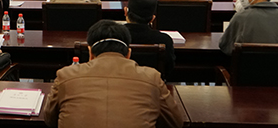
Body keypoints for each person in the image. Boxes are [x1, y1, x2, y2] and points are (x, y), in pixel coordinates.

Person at [43, 20, 183, 128]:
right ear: (128, 54)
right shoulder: (152, 78)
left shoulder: (65, 76)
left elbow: (49, 120)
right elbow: (175, 122)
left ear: (90, 53)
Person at [124, 0, 175, 75]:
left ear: (125, 11)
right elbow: (169, 69)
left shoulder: (114, 36)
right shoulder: (164, 40)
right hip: (153, 83)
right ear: (152, 18)